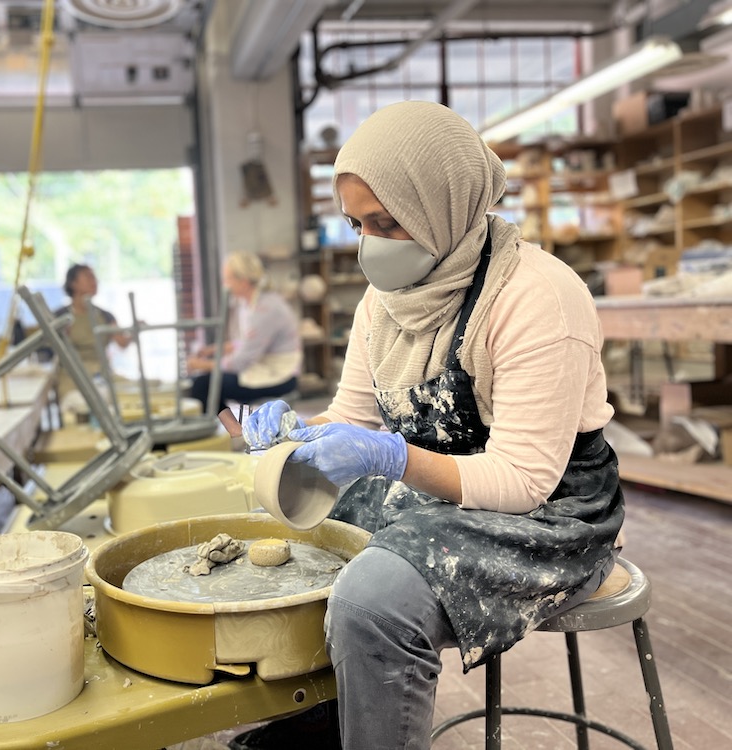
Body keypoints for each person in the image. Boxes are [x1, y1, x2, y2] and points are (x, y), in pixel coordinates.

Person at [236, 101, 624, 750]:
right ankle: (338, 719)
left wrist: (389, 457)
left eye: (387, 222)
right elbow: (352, 418)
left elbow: (522, 479)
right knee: (303, 530)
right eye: (357, 224)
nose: (370, 244)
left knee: (374, 599)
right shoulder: (384, 300)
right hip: (435, 489)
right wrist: (296, 432)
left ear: (442, 204)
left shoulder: (536, 297)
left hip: (549, 512)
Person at [188, 251, 301, 414]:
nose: (225, 284)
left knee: (202, 385)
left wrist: (203, 365)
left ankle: (232, 429)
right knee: (202, 382)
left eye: (227, 279)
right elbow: (247, 343)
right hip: (265, 367)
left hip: (280, 376)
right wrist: (212, 350)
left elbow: (242, 360)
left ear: (243, 281)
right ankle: (232, 427)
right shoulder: (250, 303)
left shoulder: (265, 308)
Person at [53, 264, 131, 390]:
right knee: (78, 400)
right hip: (73, 377)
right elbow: (49, 348)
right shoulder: (60, 317)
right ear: (73, 283)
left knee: (137, 392)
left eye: (94, 277)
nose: (94, 281)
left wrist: (134, 331)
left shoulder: (105, 316)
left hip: (103, 374)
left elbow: (122, 343)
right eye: (89, 277)